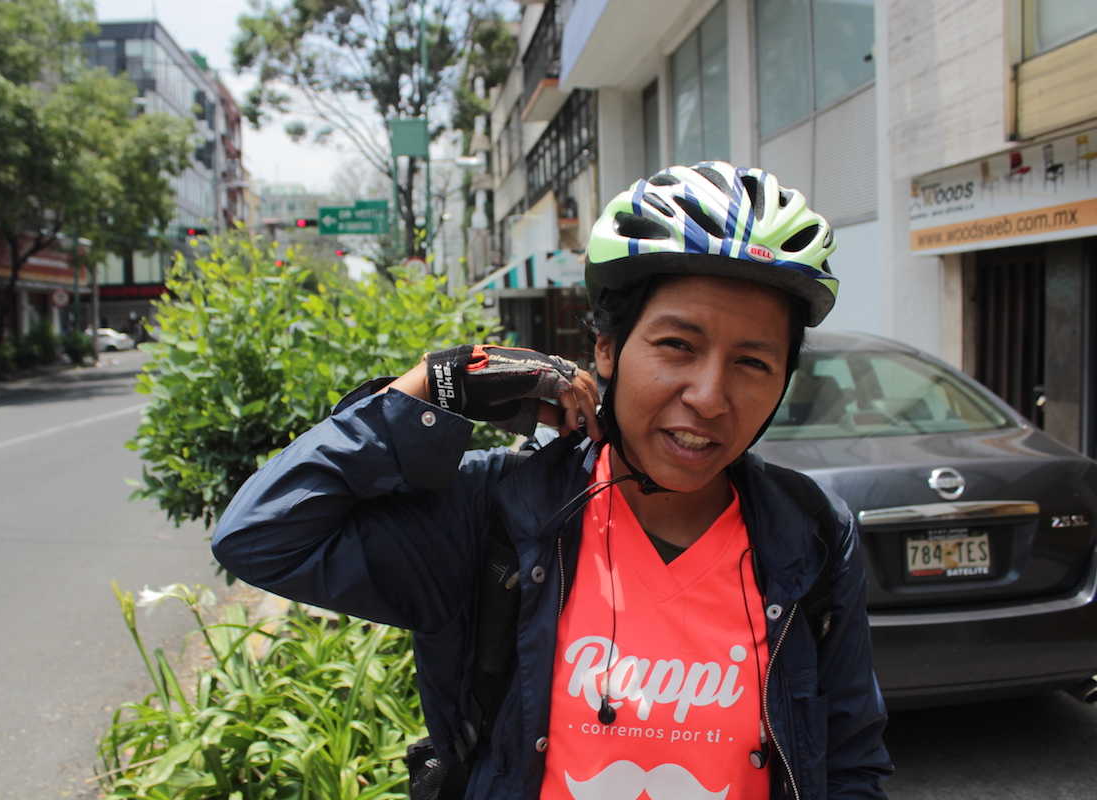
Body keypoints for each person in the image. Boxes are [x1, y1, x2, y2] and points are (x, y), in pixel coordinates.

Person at [212, 161, 894, 800]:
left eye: (752, 362)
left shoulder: (805, 531)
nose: (710, 397)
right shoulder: (499, 515)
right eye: (677, 346)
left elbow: (849, 758)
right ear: (605, 348)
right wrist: (441, 384)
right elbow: (261, 536)